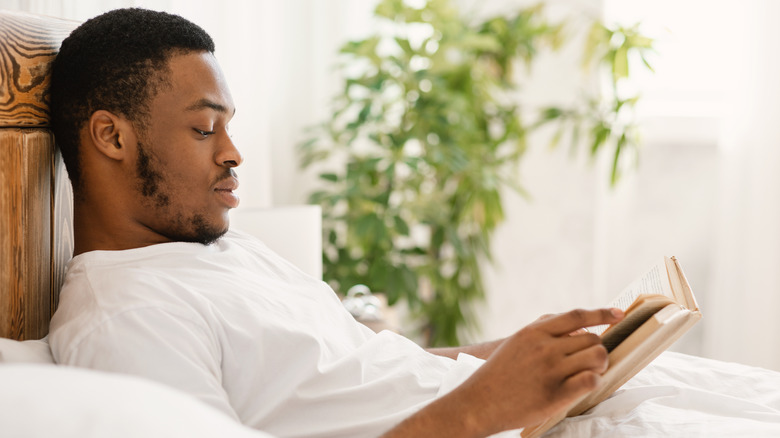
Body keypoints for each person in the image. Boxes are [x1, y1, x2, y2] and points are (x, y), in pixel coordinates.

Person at [47, 8, 623, 438]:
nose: (233, 153)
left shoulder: (219, 250)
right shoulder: (125, 319)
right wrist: (483, 406)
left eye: (228, 128)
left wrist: (506, 356)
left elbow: (357, 371)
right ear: (112, 136)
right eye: (204, 129)